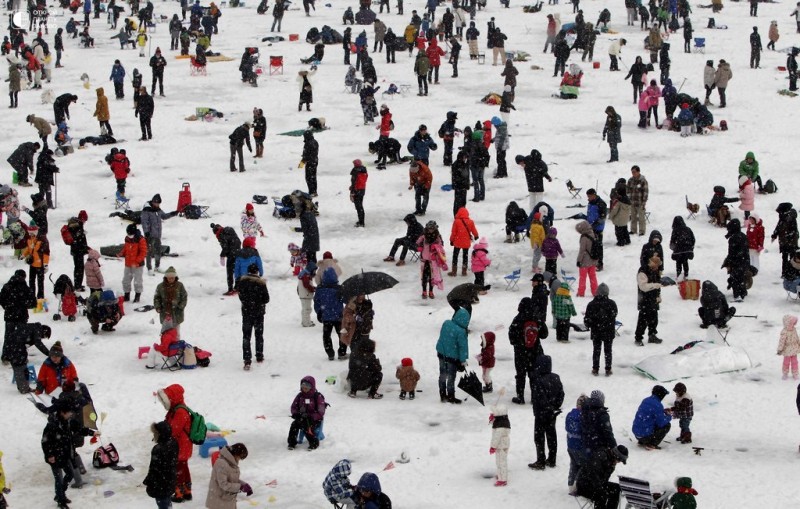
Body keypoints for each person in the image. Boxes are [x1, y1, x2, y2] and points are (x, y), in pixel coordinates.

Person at [42, 398, 98, 509]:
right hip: (54, 457)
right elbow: (45, 442)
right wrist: (50, 455)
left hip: (65, 454)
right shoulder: (52, 425)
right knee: (58, 478)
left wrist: (92, 433)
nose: (71, 414)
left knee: (70, 474)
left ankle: (59, 494)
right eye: (69, 412)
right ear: (62, 412)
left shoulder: (68, 422)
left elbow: (79, 429)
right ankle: (61, 501)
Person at [156, 384, 195, 502]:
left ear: (173, 397)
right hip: (182, 445)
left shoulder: (180, 412)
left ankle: (179, 494)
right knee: (183, 468)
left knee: (178, 469)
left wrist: (161, 432)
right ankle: (187, 492)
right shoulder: (176, 409)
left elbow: (173, 430)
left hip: (181, 446)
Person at [508, 297, 548, 404]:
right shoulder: (536, 318)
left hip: (521, 352)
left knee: (520, 374)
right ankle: (534, 397)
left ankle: (520, 397)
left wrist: (518, 343)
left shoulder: (518, 319)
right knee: (534, 374)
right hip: (535, 351)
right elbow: (544, 334)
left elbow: (512, 336)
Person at [528, 355, 565, 470]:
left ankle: (541, 460)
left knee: (539, 437)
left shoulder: (538, 380)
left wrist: (545, 408)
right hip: (552, 413)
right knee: (552, 435)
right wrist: (555, 407)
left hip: (541, 413)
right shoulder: (556, 378)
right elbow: (561, 394)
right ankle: (552, 459)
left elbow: (540, 399)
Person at [575, 444, 627, 509]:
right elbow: (593, 475)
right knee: (602, 495)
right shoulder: (601, 456)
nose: (618, 462)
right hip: (584, 485)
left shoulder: (611, 462)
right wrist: (601, 489)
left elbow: (604, 479)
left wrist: (602, 487)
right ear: (616, 456)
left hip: (597, 484)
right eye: (619, 460)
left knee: (616, 488)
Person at [436, 307, 470, 403]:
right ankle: (451, 396)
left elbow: (443, 337)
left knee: (443, 374)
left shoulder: (446, 323)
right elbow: (462, 347)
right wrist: (463, 360)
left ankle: (442, 394)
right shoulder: (461, 331)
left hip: (442, 353)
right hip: (452, 357)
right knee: (451, 376)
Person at [7, 322, 51, 393]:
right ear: (44, 331)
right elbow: (38, 343)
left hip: (14, 345)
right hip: (16, 346)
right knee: (20, 366)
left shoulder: (34, 327)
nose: (42, 338)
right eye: (45, 336)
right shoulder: (37, 330)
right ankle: (23, 388)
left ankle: (24, 387)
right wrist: (49, 354)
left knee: (21, 364)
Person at [143, 421, 178, 509]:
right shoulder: (173, 443)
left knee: (163, 504)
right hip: (170, 480)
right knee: (167, 502)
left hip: (160, 485)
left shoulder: (158, 449)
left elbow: (153, 469)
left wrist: (148, 481)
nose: (154, 436)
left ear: (160, 434)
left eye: (155, 433)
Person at [314, 267, 347, 361]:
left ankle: (330, 353)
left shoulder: (320, 289)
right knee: (342, 334)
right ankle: (342, 352)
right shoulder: (339, 288)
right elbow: (345, 300)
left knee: (326, 336)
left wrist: (319, 312)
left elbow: (317, 302)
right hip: (339, 317)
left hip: (326, 317)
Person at [205, 443, 252, 507]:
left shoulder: (231, 462)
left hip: (227, 500)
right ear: (236, 454)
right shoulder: (222, 463)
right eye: (240, 457)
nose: (239, 460)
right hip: (219, 502)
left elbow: (231, 478)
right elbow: (223, 484)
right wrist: (240, 487)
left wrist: (244, 484)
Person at [142, 194, 178, 275]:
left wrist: (173, 213)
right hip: (149, 235)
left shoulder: (158, 210)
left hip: (157, 235)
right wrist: (146, 232)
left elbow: (164, 216)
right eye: (156, 203)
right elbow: (144, 222)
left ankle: (157, 267)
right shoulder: (146, 210)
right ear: (153, 201)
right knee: (149, 252)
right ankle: (149, 268)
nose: (157, 205)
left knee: (158, 251)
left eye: (158, 203)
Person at [288, 376, 326, 450]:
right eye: (303, 387)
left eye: (307, 387)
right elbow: (293, 407)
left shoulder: (317, 397)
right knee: (294, 424)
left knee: (306, 425)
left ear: (311, 387)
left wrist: (311, 416)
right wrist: (296, 414)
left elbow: (321, 412)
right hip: (302, 417)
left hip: (314, 419)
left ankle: (314, 442)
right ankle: (292, 443)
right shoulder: (300, 396)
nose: (304, 389)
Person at [632, 385, 672, 449]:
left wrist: (662, 412)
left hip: (636, 433)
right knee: (667, 425)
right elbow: (661, 423)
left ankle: (641, 441)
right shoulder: (658, 405)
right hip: (645, 436)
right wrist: (669, 416)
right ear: (661, 395)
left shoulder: (645, 400)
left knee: (648, 421)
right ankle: (651, 444)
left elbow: (648, 414)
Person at [635, 254, 663, 345]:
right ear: (651, 264)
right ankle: (638, 338)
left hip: (653, 299)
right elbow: (643, 287)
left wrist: (658, 296)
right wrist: (655, 286)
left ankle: (652, 335)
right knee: (643, 320)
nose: (657, 268)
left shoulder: (655, 271)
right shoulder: (642, 272)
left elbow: (657, 284)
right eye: (656, 266)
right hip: (644, 299)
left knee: (654, 319)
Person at [118, 223, 147, 302]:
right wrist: (121, 253)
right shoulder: (127, 238)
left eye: (130, 234)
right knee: (126, 280)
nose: (129, 235)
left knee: (138, 281)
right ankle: (126, 295)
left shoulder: (141, 239)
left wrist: (136, 261)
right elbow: (125, 248)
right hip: (128, 263)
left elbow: (143, 252)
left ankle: (137, 296)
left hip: (138, 265)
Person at [154, 266, 187, 335]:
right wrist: (158, 307)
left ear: (175, 277)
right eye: (169, 278)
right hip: (165, 312)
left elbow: (184, 297)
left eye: (172, 278)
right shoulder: (160, 286)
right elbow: (157, 297)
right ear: (166, 277)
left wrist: (181, 306)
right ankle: (165, 343)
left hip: (177, 313)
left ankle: (176, 344)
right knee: (165, 331)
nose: (171, 279)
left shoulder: (180, 285)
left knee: (176, 332)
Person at [417, 220, 446, 298]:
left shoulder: (437, 236)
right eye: (429, 228)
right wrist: (419, 246)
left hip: (433, 260)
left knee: (432, 277)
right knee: (424, 276)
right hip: (424, 259)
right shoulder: (423, 235)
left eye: (432, 228)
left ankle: (431, 291)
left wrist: (436, 247)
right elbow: (418, 242)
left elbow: (441, 245)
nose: (431, 230)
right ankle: (424, 291)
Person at [211, 223, 242, 296]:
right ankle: (237, 287)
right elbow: (238, 241)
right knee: (237, 271)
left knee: (229, 272)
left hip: (231, 255)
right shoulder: (230, 229)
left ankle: (230, 290)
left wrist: (222, 256)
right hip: (238, 252)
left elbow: (225, 248)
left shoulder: (221, 235)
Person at [722, 219, 749, 301]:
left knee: (735, 278)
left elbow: (731, 253)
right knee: (741, 277)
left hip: (736, 261)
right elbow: (745, 250)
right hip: (745, 260)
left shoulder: (733, 238)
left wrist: (729, 262)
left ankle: (737, 295)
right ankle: (743, 292)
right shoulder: (743, 236)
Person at [565, 395, 587, 495]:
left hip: (570, 445)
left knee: (573, 465)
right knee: (582, 466)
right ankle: (577, 486)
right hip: (580, 446)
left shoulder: (570, 415)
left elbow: (566, 428)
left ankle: (570, 484)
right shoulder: (584, 416)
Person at [448, 207, 479, 277]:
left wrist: (451, 240)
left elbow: (453, 232)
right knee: (465, 256)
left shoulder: (456, 222)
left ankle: (454, 271)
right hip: (466, 242)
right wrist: (476, 235)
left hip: (457, 242)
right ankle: (464, 271)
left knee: (455, 256)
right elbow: (474, 230)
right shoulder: (471, 222)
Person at [21, 224, 49, 299]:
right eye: (29, 232)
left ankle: (40, 296)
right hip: (32, 263)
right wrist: (23, 255)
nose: (30, 234)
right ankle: (32, 296)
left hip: (40, 264)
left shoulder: (42, 239)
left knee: (40, 282)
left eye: (32, 232)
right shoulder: (30, 239)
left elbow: (46, 253)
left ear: (36, 231)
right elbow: (28, 248)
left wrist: (45, 264)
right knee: (31, 281)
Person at [575, 220, 599, 297]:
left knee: (582, 278)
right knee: (593, 277)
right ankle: (595, 292)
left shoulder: (584, 237)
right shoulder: (593, 234)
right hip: (593, 260)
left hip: (584, 261)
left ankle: (581, 293)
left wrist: (579, 260)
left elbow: (582, 250)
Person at [489, 404, 510, 487]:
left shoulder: (500, 426)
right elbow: (494, 425)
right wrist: (492, 420)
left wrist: (493, 446)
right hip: (502, 445)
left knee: (501, 462)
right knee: (499, 461)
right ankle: (500, 474)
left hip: (500, 445)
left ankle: (503, 479)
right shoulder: (502, 421)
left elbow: (497, 437)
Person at [778, 315, 800, 380]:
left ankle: (795, 374)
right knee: (786, 362)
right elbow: (781, 341)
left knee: (795, 362)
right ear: (788, 323)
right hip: (787, 349)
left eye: (793, 323)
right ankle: (785, 373)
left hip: (794, 349)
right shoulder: (784, 332)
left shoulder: (794, 330)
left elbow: (797, 338)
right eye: (791, 323)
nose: (793, 325)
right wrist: (780, 349)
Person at [349, 160, 368, 227]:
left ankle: (361, 222)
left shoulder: (355, 171)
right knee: (360, 206)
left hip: (356, 191)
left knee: (358, 207)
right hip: (362, 190)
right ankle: (361, 221)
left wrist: (352, 191)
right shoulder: (364, 171)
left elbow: (354, 182)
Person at [301, 131, 319, 197]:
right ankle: (314, 191)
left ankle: (311, 192)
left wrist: (302, 163)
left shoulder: (308, 143)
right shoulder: (315, 142)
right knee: (313, 177)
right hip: (315, 161)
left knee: (309, 177)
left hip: (309, 162)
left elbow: (306, 154)